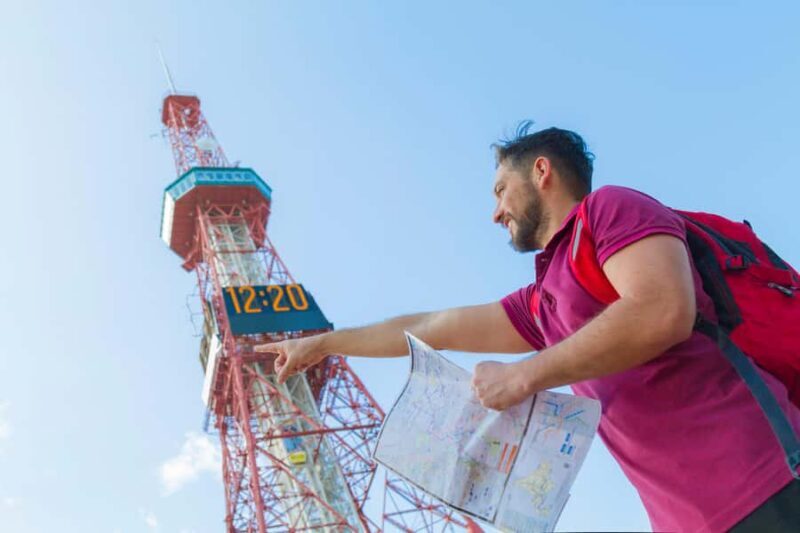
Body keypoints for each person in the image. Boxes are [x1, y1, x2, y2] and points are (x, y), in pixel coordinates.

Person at [255, 123, 800, 532]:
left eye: (499, 190)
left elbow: (662, 310)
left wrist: (524, 376)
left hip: (766, 479)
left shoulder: (609, 211)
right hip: (691, 518)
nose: (494, 213)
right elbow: (429, 325)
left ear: (541, 172)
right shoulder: (544, 303)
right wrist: (326, 342)